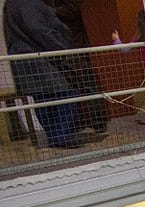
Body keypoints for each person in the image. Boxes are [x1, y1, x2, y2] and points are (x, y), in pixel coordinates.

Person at [3, 0, 83, 148]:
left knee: (43, 99)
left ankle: (56, 136)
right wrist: (61, 47)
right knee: (66, 94)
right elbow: (38, 30)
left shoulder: (12, 5)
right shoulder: (27, 4)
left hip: (27, 61)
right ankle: (61, 136)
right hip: (40, 60)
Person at [51, 0, 108, 134]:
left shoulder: (58, 9)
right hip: (67, 46)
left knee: (87, 85)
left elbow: (72, 10)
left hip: (74, 46)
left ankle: (97, 121)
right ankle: (79, 122)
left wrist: (49, 12)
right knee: (73, 86)